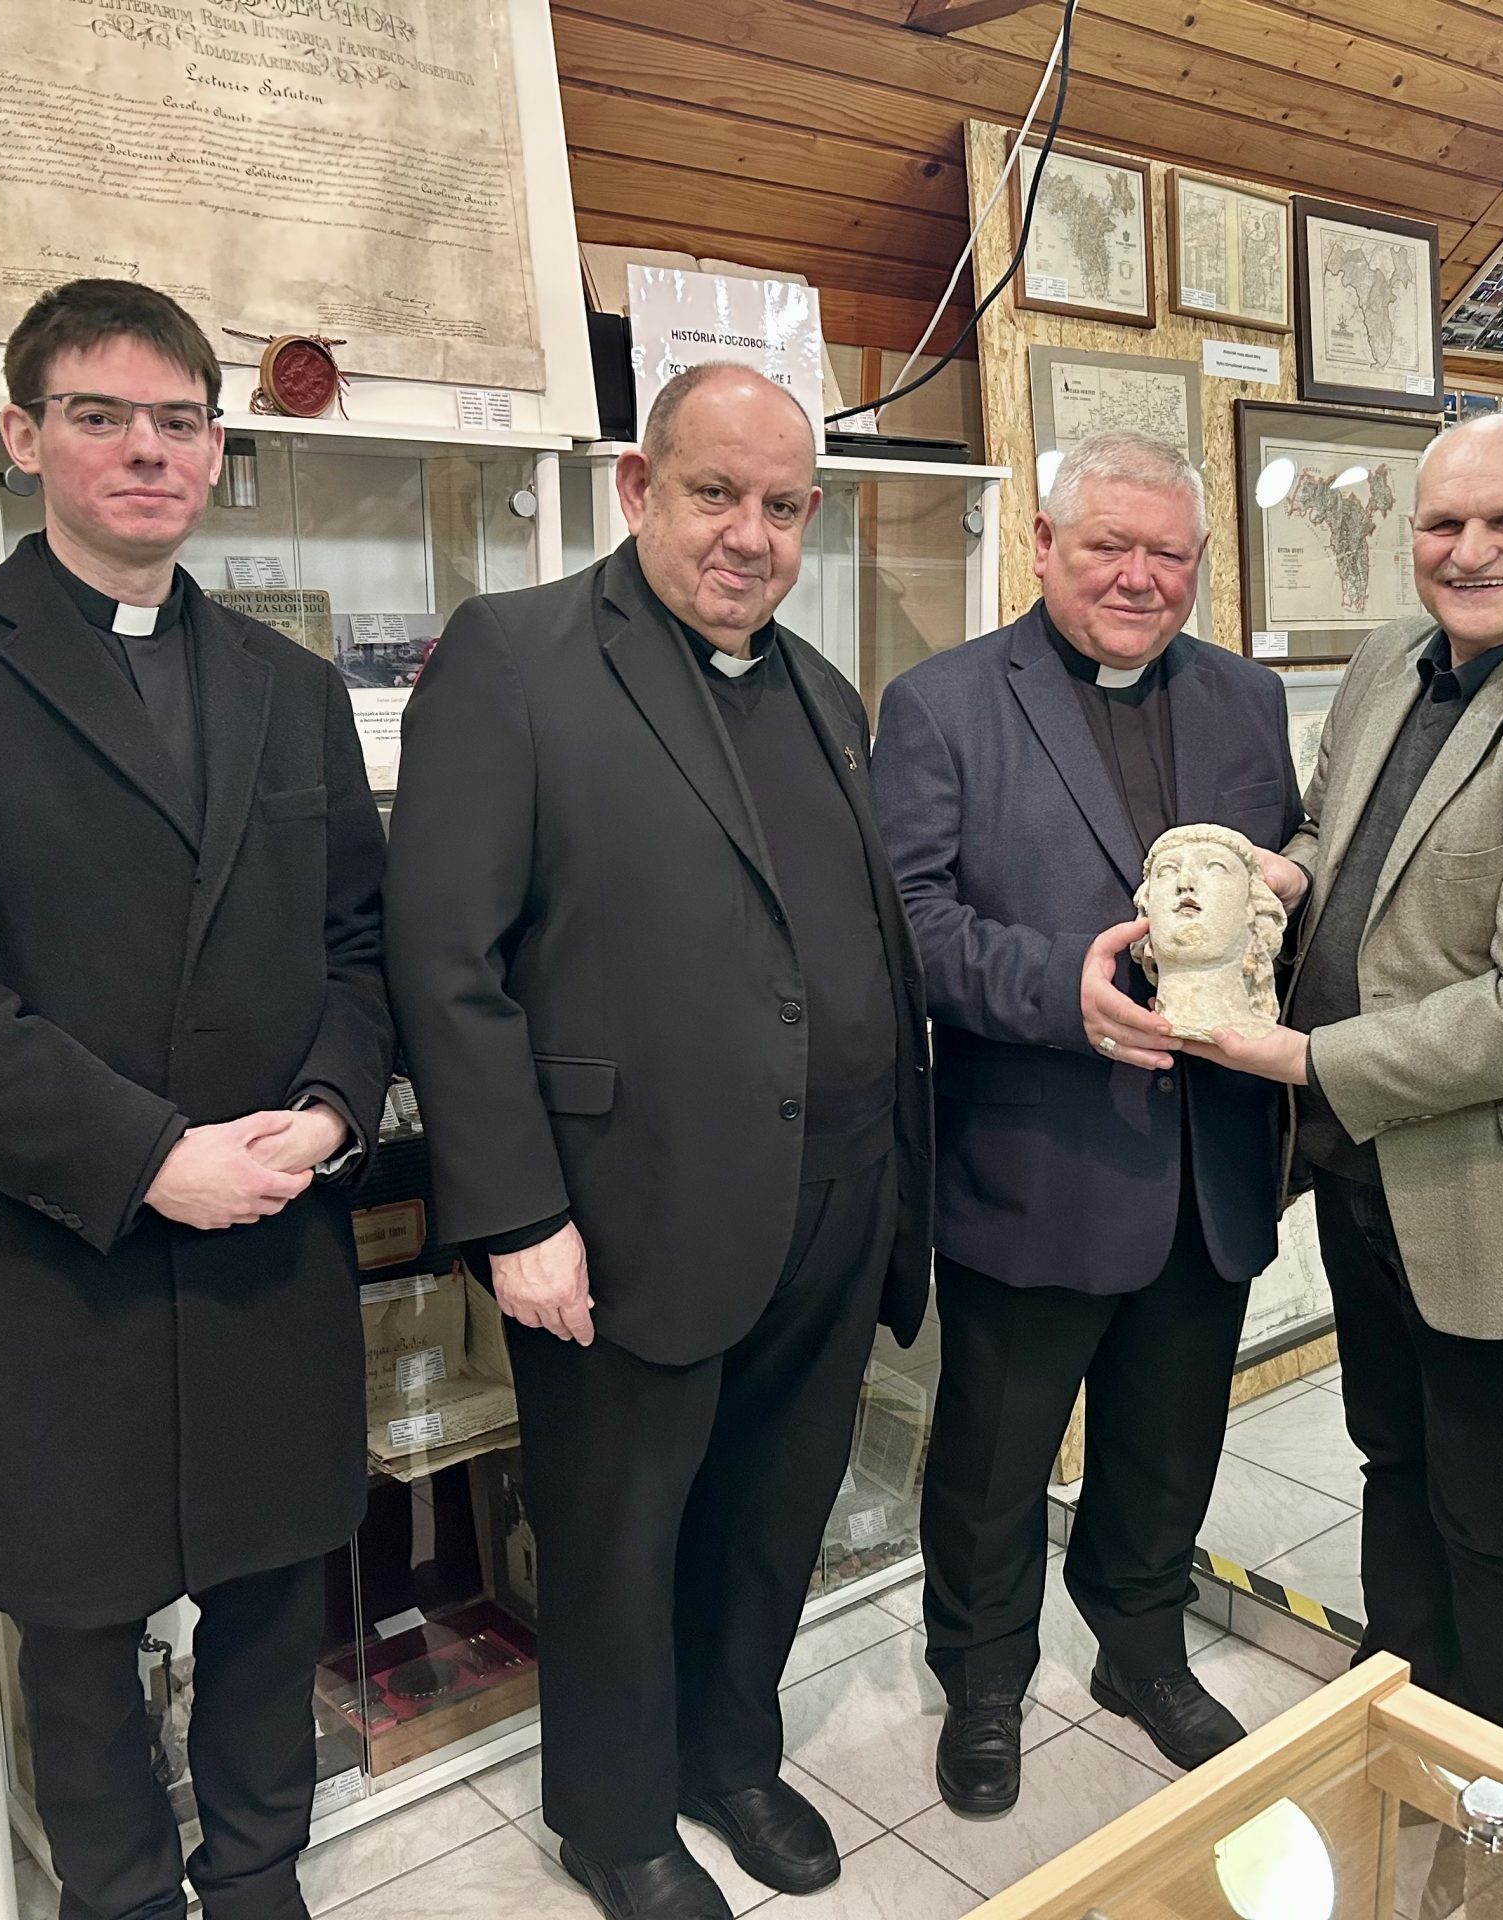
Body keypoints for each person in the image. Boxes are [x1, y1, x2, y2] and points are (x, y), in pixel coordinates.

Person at [0, 280, 392, 1920]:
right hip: (63, 1244)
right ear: (22, 436)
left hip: (272, 1227)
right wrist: (147, 1158)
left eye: (179, 421)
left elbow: (361, 947)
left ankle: (259, 1879)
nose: (147, 450)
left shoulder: (290, 686)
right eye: (101, 416)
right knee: (76, 1637)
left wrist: (331, 1114)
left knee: (275, 1604)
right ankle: (118, 1899)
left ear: (216, 448)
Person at [384, 364, 932, 1920]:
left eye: (784, 506)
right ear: (639, 487)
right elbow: (445, 962)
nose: (750, 534)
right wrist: (516, 1215)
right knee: (620, 1534)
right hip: (623, 1208)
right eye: (716, 494)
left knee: (774, 1509)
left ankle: (729, 1756)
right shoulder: (518, 657)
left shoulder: (821, 690)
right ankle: (614, 1818)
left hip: (835, 1189)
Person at [1187, 414, 1503, 1728]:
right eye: (1443, 523)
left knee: (1492, 1510)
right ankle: (1398, 1706)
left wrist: (1300, 1055)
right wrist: (1285, 873)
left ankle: (1497, 1771)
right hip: (1357, 1167)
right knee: (1391, 1461)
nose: (1471, 551)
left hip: (1481, 1197)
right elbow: (1331, 826)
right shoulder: (1389, 660)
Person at [872, 431, 1303, 1812]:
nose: (1137, 577)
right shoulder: (942, 704)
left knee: (1169, 1442)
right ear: (1043, 543)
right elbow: (908, 925)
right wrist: (1057, 987)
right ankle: (983, 1680)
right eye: (1107, 545)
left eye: (1167, 553)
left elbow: (1280, 879)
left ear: (1199, 561)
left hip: (1206, 1164)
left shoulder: (1246, 700)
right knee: (994, 1458)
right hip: (1032, 1160)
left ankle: (1140, 1648)